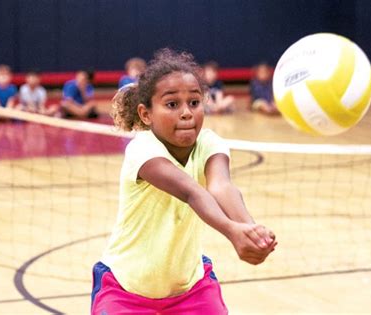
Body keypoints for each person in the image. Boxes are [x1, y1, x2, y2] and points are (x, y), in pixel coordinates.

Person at [91, 49, 277, 314]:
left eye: (194, 102)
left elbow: (220, 187)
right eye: (172, 105)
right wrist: (231, 231)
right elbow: (192, 193)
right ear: (146, 115)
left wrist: (249, 229)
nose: (187, 113)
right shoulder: (143, 149)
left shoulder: (209, 142)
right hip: (124, 289)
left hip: (191, 289)